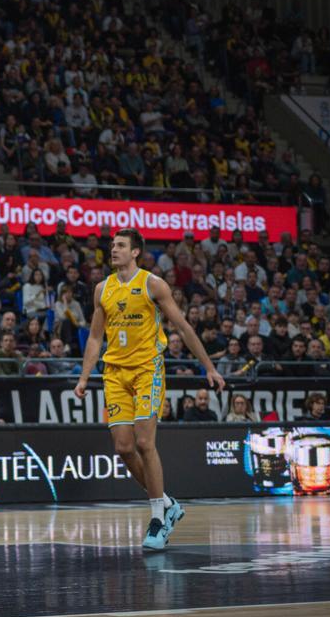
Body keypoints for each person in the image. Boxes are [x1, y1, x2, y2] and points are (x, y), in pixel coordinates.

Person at [74, 228, 225, 551]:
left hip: (147, 370)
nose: (113, 250)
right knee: (124, 448)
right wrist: (85, 377)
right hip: (114, 373)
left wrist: (209, 367)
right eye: (112, 245)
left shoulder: (153, 284)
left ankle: (158, 518)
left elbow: (183, 327)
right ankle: (168, 502)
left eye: (120, 246)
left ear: (135, 252)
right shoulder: (102, 289)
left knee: (144, 442)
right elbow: (95, 338)